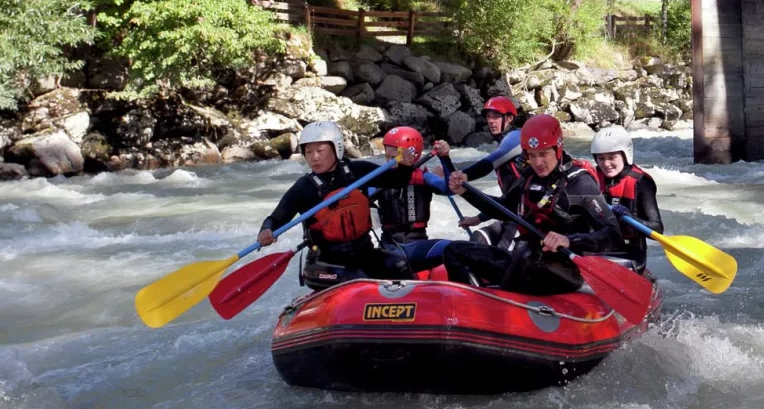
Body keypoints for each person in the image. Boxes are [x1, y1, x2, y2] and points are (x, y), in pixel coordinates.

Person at [441, 115, 618, 296]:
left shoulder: (580, 183)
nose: (538, 162)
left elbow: (612, 232)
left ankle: (503, 306)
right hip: (527, 260)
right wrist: (466, 192)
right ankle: (475, 306)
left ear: (558, 149)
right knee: (454, 251)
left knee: (525, 253)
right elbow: (503, 209)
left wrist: (569, 240)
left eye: (543, 154)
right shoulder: (529, 176)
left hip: (566, 269)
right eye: (532, 155)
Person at [257, 120, 414, 290]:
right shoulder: (304, 187)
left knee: (398, 264)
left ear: (336, 148)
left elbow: (397, 181)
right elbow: (276, 218)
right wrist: (266, 229)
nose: (314, 157)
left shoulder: (357, 171)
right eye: (308, 152)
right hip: (323, 263)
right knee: (356, 278)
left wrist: (405, 166)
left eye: (320, 150)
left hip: (363, 253)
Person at [590, 125, 663, 272]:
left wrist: (629, 217)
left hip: (629, 252)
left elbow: (657, 229)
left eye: (612, 157)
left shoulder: (642, 183)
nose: (606, 164)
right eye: (601, 158)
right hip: (595, 247)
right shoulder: (589, 178)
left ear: (625, 155)